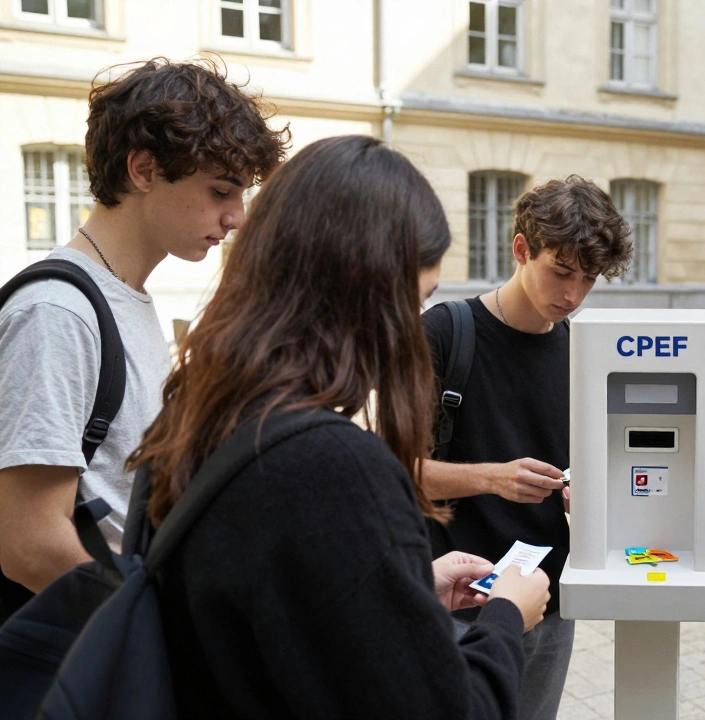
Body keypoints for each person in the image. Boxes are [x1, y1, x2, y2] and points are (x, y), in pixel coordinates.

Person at [125, 135, 550, 717]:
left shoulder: (198, 410)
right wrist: (504, 616)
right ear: (362, 292)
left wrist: (406, 589)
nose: (411, 329)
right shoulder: (336, 463)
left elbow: (272, 609)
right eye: (413, 300)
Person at [0, 58, 287, 620]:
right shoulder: (57, 312)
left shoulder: (122, 298)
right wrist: (167, 632)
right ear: (142, 169)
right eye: (221, 190)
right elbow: (29, 546)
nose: (236, 217)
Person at [418, 176, 632, 720]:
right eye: (561, 272)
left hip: (547, 602)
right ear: (521, 249)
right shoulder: (444, 332)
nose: (574, 294)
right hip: (456, 594)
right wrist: (491, 478)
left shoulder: (584, 352)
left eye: (589, 280)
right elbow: (392, 469)